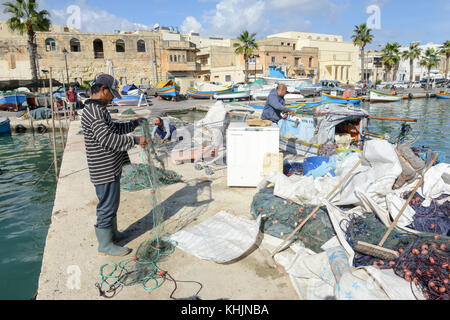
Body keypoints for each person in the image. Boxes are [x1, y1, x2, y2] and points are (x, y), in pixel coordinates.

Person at [81, 73, 149, 257]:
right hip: (104, 169)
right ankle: (105, 244)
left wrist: (133, 123)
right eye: (112, 94)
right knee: (107, 206)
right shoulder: (95, 112)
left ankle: (113, 234)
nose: (112, 98)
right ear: (103, 90)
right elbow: (108, 140)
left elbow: (114, 129)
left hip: (109, 166)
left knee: (112, 203)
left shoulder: (98, 109)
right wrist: (135, 140)